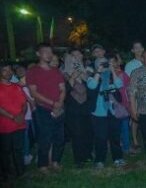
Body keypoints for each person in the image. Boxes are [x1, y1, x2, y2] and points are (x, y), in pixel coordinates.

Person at [26, 43, 66, 172]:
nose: (49, 54)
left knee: (59, 137)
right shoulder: (33, 71)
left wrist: (59, 103)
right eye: (45, 52)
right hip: (43, 109)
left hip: (58, 108)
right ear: (38, 53)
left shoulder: (56, 71)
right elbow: (34, 93)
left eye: (50, 52)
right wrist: (53, 104)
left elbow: (62, 89)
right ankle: (43, 165)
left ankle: (55, 161)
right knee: (45, 137)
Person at [87, 57, 126, 168]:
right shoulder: (92, 77)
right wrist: (98, 71)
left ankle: (118, 158)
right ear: (96, 66)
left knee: (115, 137)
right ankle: (100, 160)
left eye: (105, 63)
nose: (103, 65)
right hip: (99, 113)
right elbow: (92, 86)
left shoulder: (112, 77)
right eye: (101, 63)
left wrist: (112, 70)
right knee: (100, 137)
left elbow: (119, 85)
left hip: (113, 112)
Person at [63, 48, 94, 167]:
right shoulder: (65, 72)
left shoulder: (89, 69)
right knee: (77, 133)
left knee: (88, 132)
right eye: (73, 55)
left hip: (87, 106)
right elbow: (65, 90)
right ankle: (79, 158)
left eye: (78, 54)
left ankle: (88, 155)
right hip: (73, 107)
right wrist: (73, 76)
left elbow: (92, 86)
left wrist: (83, 73)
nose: (76, 57)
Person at [0, 62, 28, 178]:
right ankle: (6, 173)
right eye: (4, 70)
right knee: (5, 151)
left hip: (19, 124)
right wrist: (13, 117)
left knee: (18, 149)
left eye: (10, 70)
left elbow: (24, 103)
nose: (8, 72)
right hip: (4, 125)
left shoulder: (17, 86)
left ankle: (20, 172)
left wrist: (21, 115)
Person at [124, 40, 145, 151]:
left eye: (140, 47)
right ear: (133, 51)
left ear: (143, 49)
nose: (138, 50)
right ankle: (135, 141)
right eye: (135, 48)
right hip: (136, 95)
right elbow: (127, 82)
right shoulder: (130, 65)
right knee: (135, 119)